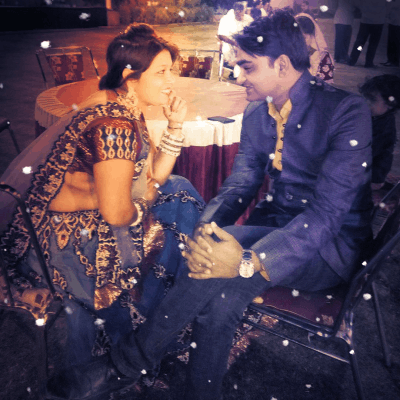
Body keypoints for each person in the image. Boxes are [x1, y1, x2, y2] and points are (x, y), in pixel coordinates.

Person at [43, 10, 373, 400]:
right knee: (217, 289)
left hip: (329, 249)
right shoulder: (256, 111)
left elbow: (326, 217)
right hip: (274, 226)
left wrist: (247, 260)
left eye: (247, 66)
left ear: (283, 66)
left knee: (221, 275)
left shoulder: (345, 111)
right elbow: (241, 184)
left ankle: (126, 363)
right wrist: (203, 231)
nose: (237, 75)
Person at [0, 23, 205, 373]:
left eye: (170, 70)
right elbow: (117, 212)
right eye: (162, 72)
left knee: (179, 189)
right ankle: (160, 324)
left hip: (85, 221)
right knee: (176, 219)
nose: (171, 81)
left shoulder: (120, 101)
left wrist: (174, 126)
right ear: (129, 75)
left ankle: (172, 311)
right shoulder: (114, 124)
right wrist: (146, 212)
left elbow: (153, 178)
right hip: (70, 240)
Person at [359, 74, 400, 190]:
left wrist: (377, 179)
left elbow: (377, 155)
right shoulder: (373, 115)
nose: (366, 102)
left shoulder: (385, 127)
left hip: (371, 174)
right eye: (365, 97)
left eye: (372, 100)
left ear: (390, 105)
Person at [296, 13, 335, 83]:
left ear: (312, 35)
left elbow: (324, 85)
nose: (299, 41)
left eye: (304, 37)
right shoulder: (289, 53)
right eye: (296, 37)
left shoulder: (323, 58)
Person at [348, 0, 387, 68]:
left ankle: (353, 60)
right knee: (373, 44)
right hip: (378, 21)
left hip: (365, 20)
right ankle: (369, 62)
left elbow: (358, 4)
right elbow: (388, 6)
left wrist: (364, 12)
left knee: (360, 43)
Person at [217, 2, 253, 67]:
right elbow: (221, 36)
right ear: (235, 12)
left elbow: (253, 32)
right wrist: (235, 43)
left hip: (245, 44)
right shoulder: (226, 19)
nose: (241, 17)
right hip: (230, 44)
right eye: (238, 14)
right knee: (227, 50)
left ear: (243, 11)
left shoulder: (249, 19)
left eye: (242, 14)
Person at [381, 0, 400, 68]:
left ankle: (393, 60)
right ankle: (392, 60)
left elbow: (389, 8)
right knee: (393, 43)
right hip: (393, 23)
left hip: (396, 24)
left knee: (393, 43)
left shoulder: (395, 2)